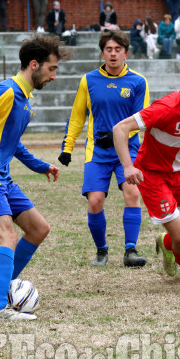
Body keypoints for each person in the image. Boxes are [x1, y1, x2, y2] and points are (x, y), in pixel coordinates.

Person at [0, 36, 71, 321]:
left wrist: (41, 166)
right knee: (7, 234)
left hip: (3, 178)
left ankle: (3, 289)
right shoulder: (7, 91)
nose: (54, 76)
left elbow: (13, 142)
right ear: (34, 65)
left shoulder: (25, 100)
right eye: (51, 69)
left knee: (38, 229)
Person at [113, 59, 180, 292]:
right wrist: (128, 167)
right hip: (151, 175)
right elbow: (120, 128)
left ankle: (166, 243)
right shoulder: (168, 106)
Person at [59, 30, 149, 268]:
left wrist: (118, 135)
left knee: (132, 194)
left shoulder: (138, 82)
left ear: (126, 53)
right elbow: (78, 116)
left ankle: (130, 251)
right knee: (95, 201)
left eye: (118, 50)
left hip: (127, 151)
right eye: (109, 49)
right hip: (97, 153)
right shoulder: (88, 80)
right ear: (102, 53)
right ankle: (101, 251)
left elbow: (142, 119)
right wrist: (67, 148)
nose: (113, 54)